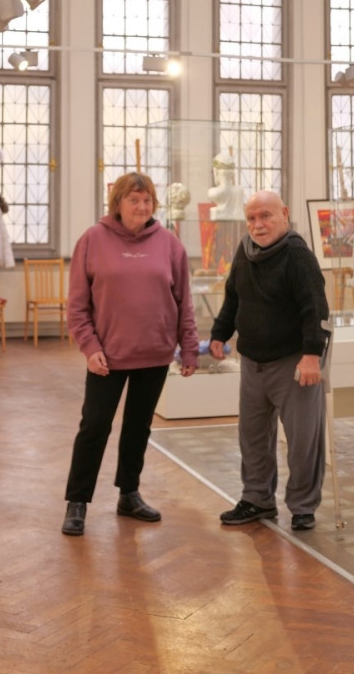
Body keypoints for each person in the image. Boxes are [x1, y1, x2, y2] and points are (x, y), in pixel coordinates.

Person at [61, 173, 198, 537]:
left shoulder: (169, 244)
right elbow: (77, 306)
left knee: (139, 427)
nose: (141, 206)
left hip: (154, 353)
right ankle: (77, 501)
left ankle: (129, 493)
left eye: (147, 200)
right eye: (134, 200)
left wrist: (189, 348)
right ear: (118, 203)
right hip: (107, 357)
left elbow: (184, 302)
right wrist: (90, 347)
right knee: (94, 426)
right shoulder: (92, 240)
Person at [210, 191, 330, 531]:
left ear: (284, 214)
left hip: (294, 363)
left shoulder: (297, 255)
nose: (258, 225)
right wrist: (219, 333)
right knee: (252, 437)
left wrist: (312, 356)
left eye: (265, 216)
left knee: (302, 440)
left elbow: (316, 310)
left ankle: (303, 506)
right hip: (253, 362)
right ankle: (257, 500)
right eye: (251, 218)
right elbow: (233, 296)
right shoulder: (245, 251)